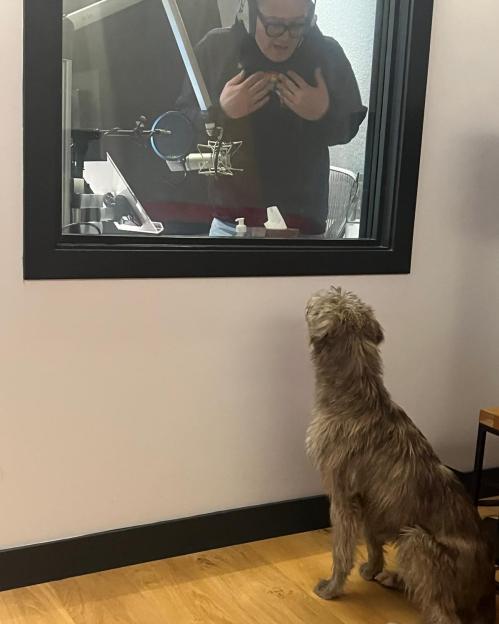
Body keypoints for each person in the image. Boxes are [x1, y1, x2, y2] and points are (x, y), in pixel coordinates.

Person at [176, 0, 367, 236]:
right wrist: (221, 112)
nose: (286, 37)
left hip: (303, 226)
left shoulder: (327, 54)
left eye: (298, 25)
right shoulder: (216, 49)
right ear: (248, 15)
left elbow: (348, 130)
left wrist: (322, 114)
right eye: (274, 25)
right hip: (231, 224)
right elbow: (181, 129)